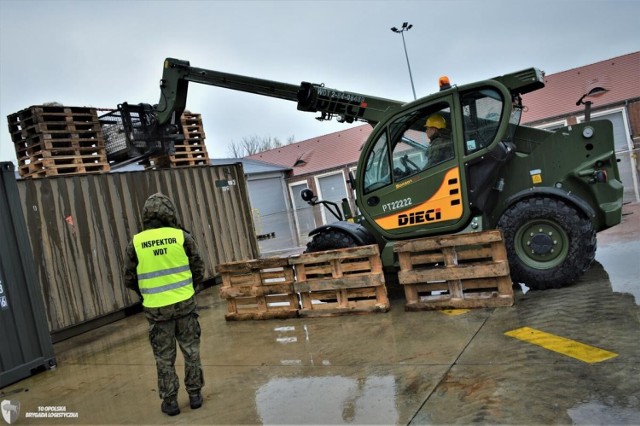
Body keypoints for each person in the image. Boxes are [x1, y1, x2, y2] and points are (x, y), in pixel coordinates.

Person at [123, 193, 205, 416]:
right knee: (191, 351)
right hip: (185, 306)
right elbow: (198, 268)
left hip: (157, 311)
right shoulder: (182, 237)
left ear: (146, 215)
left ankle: (170, 402)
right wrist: (189, 289)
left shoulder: (136, 243)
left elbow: (129, 278)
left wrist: (147, 295)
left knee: (164, 358)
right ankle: (195, 395)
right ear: (170, 213)